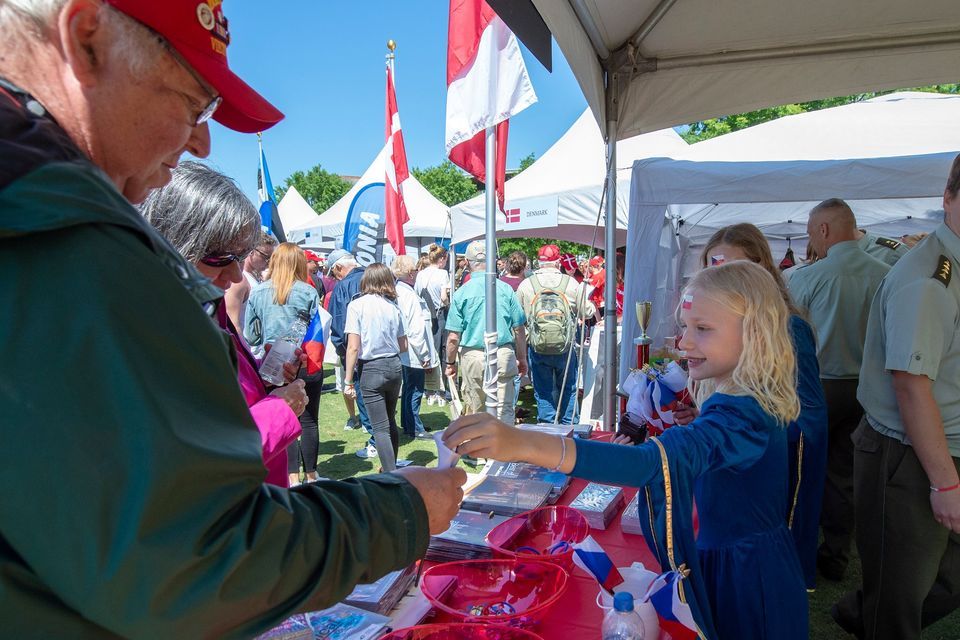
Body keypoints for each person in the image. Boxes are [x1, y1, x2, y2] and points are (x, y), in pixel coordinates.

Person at [0, 1, 465, 636]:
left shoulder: (45, 217)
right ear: (86, 41)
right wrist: (402, 508)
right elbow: (191, 567)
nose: (202, 141)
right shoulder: (68, 240)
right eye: (194, 104)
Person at [445, 261, 809, 639]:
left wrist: (523, 442)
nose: (684, 342)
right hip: (740, 561)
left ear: (754, 334)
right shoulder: (743, 399)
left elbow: (650, 463)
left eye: (702, 329)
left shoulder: (742, 413)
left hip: (748, 578)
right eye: (686, 328)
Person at [833, 156, 960, 639]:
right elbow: (911, 385)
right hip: (909, 453)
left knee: (923, 585)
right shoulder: (930, 280)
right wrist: (945, 485)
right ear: (947, 198)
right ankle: (872, 613)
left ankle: (862, 611)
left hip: (933, 444)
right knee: (899, 602)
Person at [142, 162, 307, 487]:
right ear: (175, 243)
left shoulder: (203, 308)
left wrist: (264, 377)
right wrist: (281, 408)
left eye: (240, 257)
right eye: (221, 258)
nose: (234, 275)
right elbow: (195, 461)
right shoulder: (147, 330)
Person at [700, 223, 828, 590]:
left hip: (772, 470)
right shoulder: (729, 326)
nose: (719, 281)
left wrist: (745, 429)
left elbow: (809, 419)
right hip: (734, 466)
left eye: (730, 270)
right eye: (712, 270)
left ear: (758, 270)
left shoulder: (789, 329)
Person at [788, 198, 890, 583]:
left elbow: (791, 333)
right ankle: (835, 555)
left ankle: (797, 547)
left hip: (818, 386)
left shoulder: (809, 276)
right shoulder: (885, 274)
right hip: (866, 390)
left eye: (812, 231)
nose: (811, 239)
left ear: (825, 230)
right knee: (844, 474)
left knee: (802, 469)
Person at [245, 243, 324, 486]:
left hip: (271, 365)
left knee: (281, 415)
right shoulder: (308, 291)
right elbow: (318, 329)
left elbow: (252, 336)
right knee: (309, 420)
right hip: (304, 360)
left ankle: (291, 476)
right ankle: (311, 474)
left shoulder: (258, 292)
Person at [446, 240, 528, 426]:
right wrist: (522, 357)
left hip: (474, 356)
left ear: (467, 262)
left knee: (476, 408)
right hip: (502, 354)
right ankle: (503, 452)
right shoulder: (505, 289)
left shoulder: (462, 293)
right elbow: (519, 328)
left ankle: (479, 452)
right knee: (504, 409)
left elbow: (453, 337)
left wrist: (450, 363)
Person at [515, 243, 595, 425]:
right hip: (565, 346)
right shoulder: (571, 283)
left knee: (543, 390)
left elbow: (518, 318)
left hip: (537, 345)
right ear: (558, 262)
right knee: (569, 388)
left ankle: (547, 426)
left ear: (539, 263)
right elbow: (587, 312)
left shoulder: (526, 285)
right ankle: (569, 427)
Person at [343, 264, 408, 471]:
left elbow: (353, 346)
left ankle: (390, 473)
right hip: (394, 365)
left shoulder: (357, 305)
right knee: (389, 421)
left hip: (371, 367)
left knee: (380, 427)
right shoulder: (393, 306)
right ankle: (391, 466)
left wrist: (347, 380)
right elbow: (403, 344)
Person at [326, 248, 378, 457]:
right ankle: (381, 433)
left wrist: (342, 351)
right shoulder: (376, 278)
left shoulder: (343, 286)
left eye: (334, 273)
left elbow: (338, 324)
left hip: (357, 352)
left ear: (339, 267)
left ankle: (374, 438)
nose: (334, 277)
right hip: (385, 352)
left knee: (364, 394)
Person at [393, 255, 438, 439]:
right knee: (415, 389)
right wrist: (424, 354)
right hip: (414, 350)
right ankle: (414, 427)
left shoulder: (399, 291)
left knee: (410, 388)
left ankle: (409, 423)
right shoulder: (409, 295)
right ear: (411, 273)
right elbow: (416, 329)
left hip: (407, 349)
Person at [416, 243, 452, 406]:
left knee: (429, 351)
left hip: (424, 315)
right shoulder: (443, 273)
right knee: (442, 351)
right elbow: (444, 297)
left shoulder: (421, 274)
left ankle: (429, 390)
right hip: (439, 314)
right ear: (442, 259)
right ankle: (441, 391)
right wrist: (449, 303)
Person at [224, 230, 276, 337]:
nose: (268, 262)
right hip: (245, 347)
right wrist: (239, 351)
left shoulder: (254, 277)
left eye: (271, 258)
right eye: (265, 256)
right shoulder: (239, 281)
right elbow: (233, 323)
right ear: (251, 251)